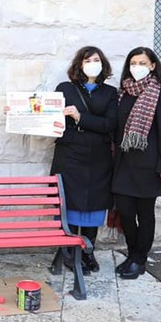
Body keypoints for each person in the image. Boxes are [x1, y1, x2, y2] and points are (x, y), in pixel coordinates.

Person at [48, 46, 117, 275]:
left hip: (98, 159)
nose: (92, 63)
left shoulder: (109, 93)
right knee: (70, 204)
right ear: (79, 64)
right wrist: (20, 114)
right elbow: (49, 117)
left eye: (96, 59)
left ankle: (87, 251)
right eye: (88, 60)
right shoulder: (65, 89)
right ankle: (67, 250)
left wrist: (80, 118)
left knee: (93, 206)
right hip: (70, 157)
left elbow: (110, 125)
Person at [112, 47, 161, 280]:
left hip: (148, 167)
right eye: (132, 63)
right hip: (123, 164)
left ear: (152, 66)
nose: (136, 67)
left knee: (145, 214)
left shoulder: (160, 94)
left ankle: (139, 259)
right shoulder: (123, 93)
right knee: (126, 213)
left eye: (141, 63)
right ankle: (132, 254)